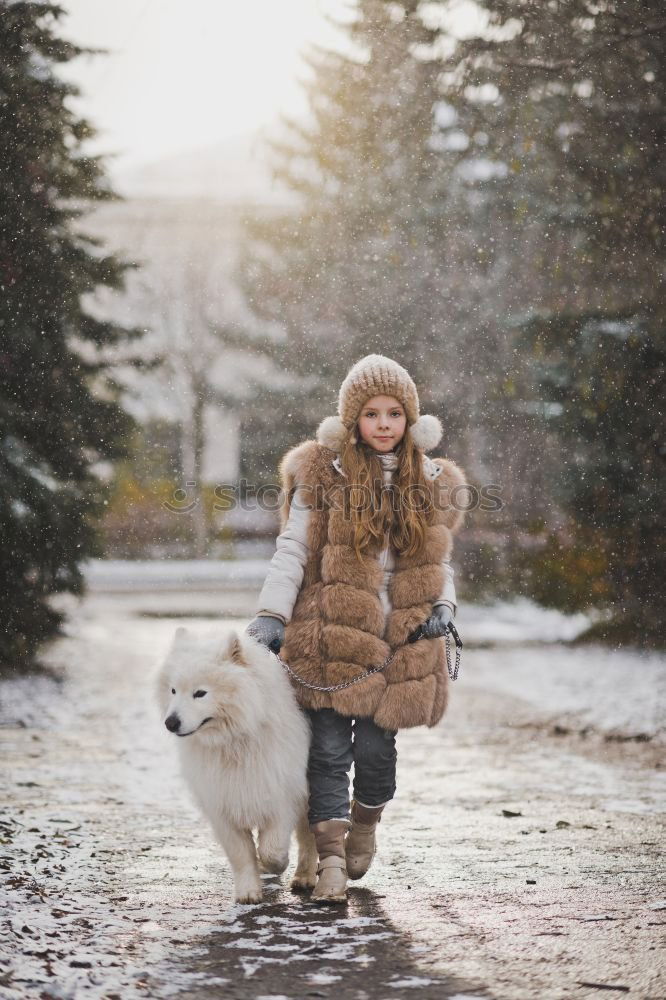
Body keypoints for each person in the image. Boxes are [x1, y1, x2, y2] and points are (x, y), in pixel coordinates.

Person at [246, 354, 467, 903]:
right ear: (353, 420)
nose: (385, 424)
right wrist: (272, 614)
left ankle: (364, 822)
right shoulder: (322, 475)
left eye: (395, 413)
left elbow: (439, 564)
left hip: (397, 646)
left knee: (374, 756)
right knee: (325, 754)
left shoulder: (433, 483)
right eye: (372, 413)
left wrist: (444, 608)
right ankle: (331, 861)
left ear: (411, 420)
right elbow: (292, 549)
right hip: (329, 640)